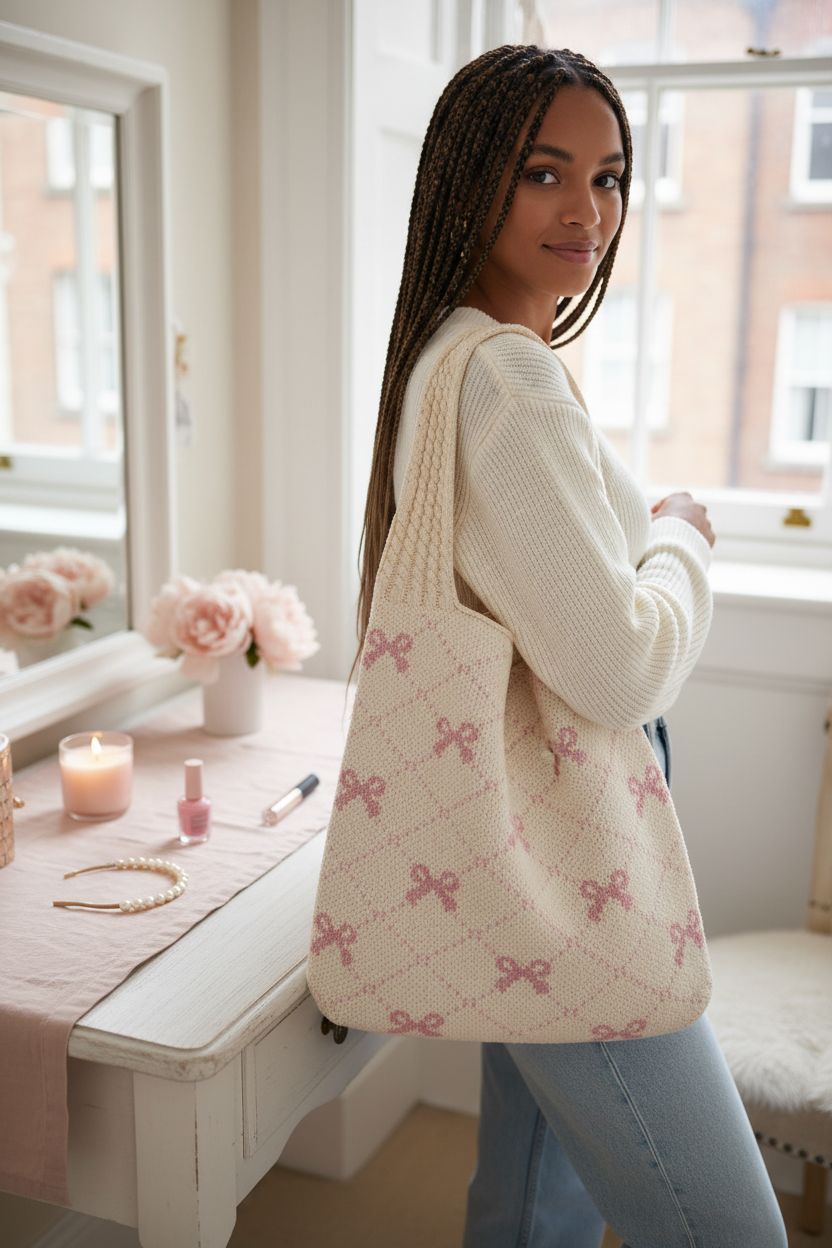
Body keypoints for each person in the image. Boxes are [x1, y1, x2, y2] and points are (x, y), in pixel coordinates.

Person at [349, 43, 788, 1248]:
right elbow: (621, 667)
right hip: (572, 872)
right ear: (467, 179)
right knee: (728, 1227)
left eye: (606, 177)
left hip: (520, 853)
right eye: (544, 172)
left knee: (533, 1190)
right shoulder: (506, 384)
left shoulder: (450, 353)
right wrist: (681, 540)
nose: (585, 211)